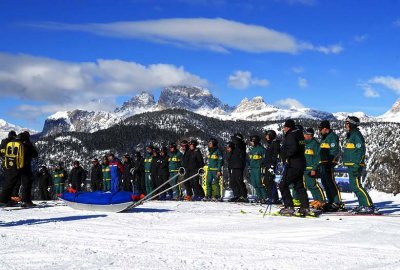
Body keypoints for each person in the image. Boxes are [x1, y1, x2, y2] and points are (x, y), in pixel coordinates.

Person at [343, 116, 375, 214]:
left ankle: (368, 206)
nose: (345, 125)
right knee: (355, 186)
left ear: (352, 124)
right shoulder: (351, 135)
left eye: (347, 123)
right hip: (351, 164)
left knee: (356, 186)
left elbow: (361, 151)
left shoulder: (356, 135)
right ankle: (363, 205)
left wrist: (357, 165)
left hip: (355, 165)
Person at [278, 119, 310, 216]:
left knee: (282, 184)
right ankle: (305, 207)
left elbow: (293, 149)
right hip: (300, 163)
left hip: (293, 164)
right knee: (299, 186)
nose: (283, 129)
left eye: (284, 127)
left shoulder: (291, 135)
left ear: (288, 127)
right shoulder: (299, 134)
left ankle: (289, 207)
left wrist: (286, 155)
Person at [318, 120, 344, 212]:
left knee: (331, 183)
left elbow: (334, 151)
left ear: (325, 128)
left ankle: (337, 202)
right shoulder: (324, 138)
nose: (319, 130)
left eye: (320, 129)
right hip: (322, 164)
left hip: (328, 163)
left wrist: (330, 162)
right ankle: (330, 201)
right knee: (325, 183)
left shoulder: (332, 137)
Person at [303, 128, 325, 209]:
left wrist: (314, 168)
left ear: (310, 135)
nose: (304, 136)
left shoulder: (315, 144)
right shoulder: (305, 144)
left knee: (314, 185)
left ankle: (321, 201)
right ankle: (316, 200)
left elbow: (318, 158)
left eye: (305, 134)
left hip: (312, 168)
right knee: (309, 185)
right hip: (305, 168)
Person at [18, 131, 39, 207]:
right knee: (27, 183)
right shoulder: (27, 144)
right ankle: (26, 201)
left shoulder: (17, 143)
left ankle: (9, 200)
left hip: (14, 167)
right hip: (25, 166)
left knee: (16, 183)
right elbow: (35, 154)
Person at [227, 134, 248, 202]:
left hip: (239, 166)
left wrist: (233, 144)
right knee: (233, 182)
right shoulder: (235, 146)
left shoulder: (242, 145)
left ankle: (244, 196)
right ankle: (237, 195)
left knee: (239, 181)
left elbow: (239, 145)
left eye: (234, 139)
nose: (233, 140)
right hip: (233, 165)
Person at [248, 135, 268, 203]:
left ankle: (265, 197)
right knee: (254, 184)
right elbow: (250, 159)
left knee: (260, 183)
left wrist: (261, 164)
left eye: (252, 141)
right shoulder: (252, 149)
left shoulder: (261, 149)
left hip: (258, 168)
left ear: (255, 141)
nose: (251, 142)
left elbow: (265, 158)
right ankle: (259, 197)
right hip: (253, 168)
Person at [263, 130, 281, 204]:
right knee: (267, 181)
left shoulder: (275, 144)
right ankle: (271, 197)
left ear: (270, 135)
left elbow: (275, 156)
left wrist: (272, 166)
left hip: (271, 166)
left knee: (269, 181)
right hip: (268, 165)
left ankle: (274, 198)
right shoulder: (270, 144)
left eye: (267, 135)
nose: (265, 137)